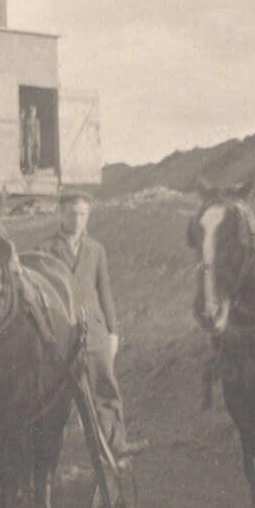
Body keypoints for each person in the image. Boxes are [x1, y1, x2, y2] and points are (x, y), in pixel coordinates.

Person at [42, 190, 148, 467]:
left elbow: (105, 291)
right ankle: (47, 456)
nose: (77, 219)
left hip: (95, 334)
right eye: (71, 213)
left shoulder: (96, 249)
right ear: (60, 214)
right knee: (56, 397)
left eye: (83, 214)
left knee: (105, 389)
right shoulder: (45, 249)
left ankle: (117, 446)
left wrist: (113, 332)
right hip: (60, 333)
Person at [21, 106, 41, 174]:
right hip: (28, 139)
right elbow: (24, 131)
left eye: (34, 111)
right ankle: (29, 168)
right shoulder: (26, 121)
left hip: (35, 138)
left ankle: (35, 167)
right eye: (31, 111)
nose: (32, 113)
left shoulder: (37, 121)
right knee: (28, 154)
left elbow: (38, 131)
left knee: (36, 153)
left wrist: (38, 140)